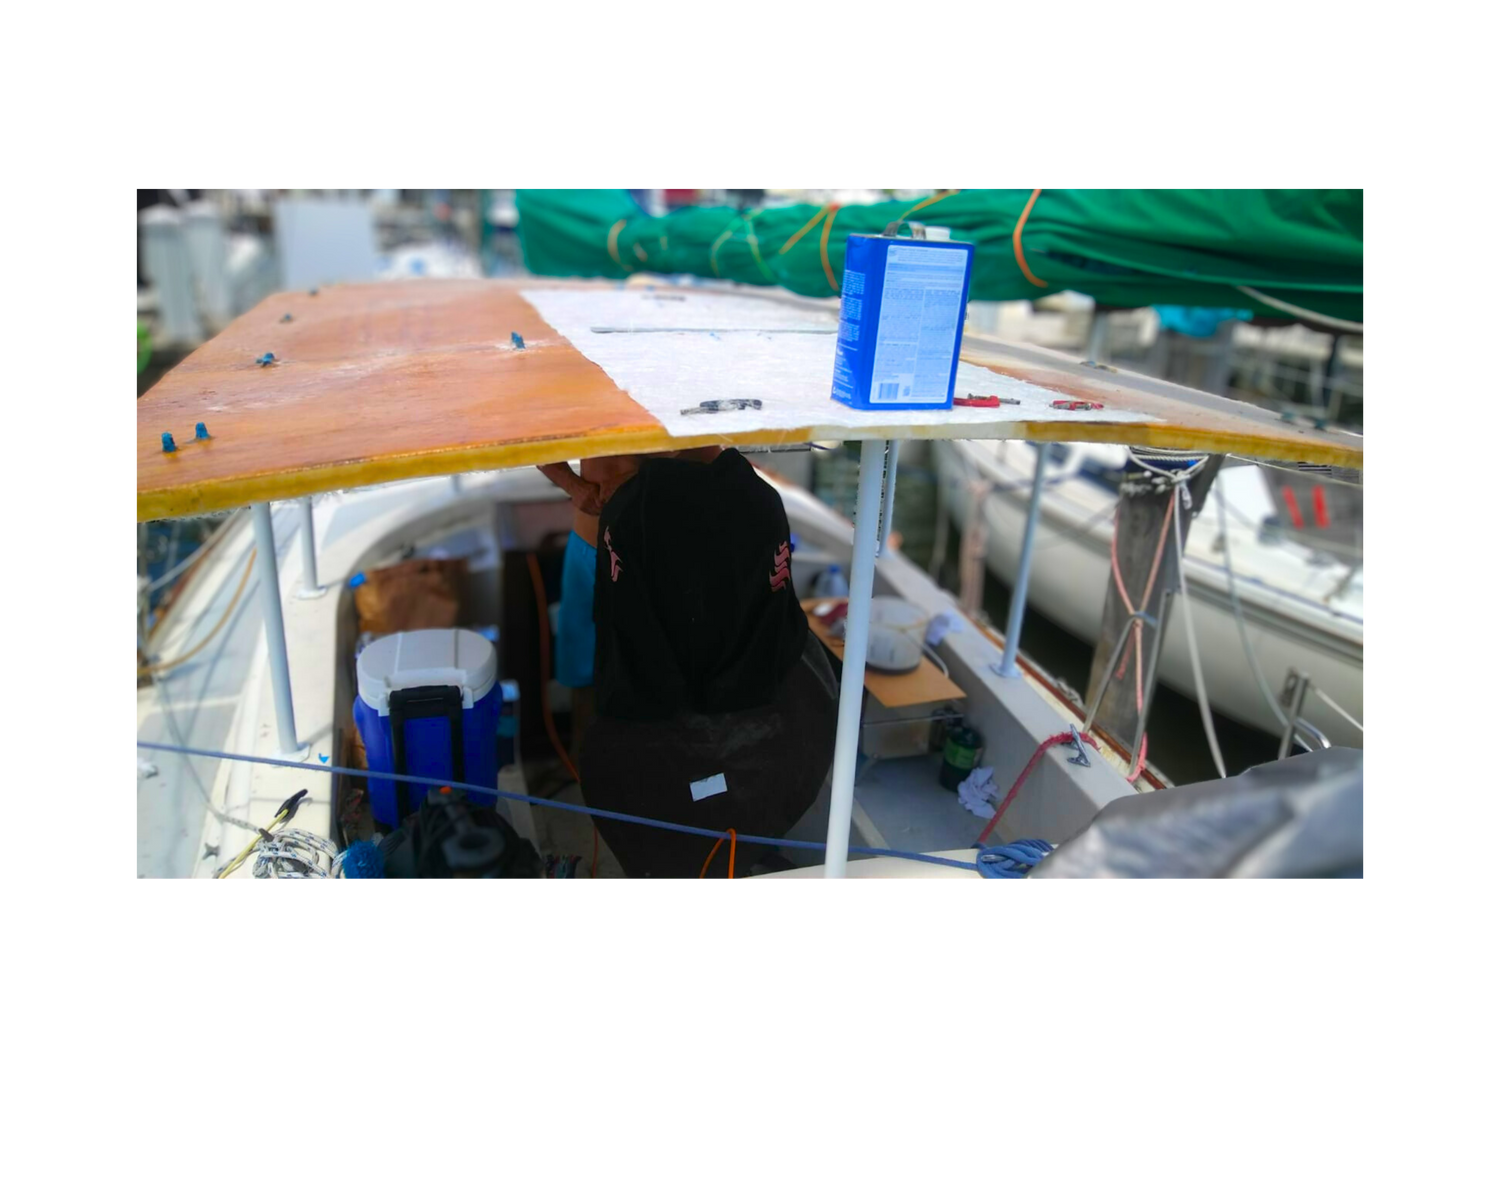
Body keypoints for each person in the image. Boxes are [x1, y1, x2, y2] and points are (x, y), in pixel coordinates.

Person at [536, 451, 720, 752]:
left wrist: (641, 478)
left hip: (654, 561)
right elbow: (537, 441)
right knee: (583, 679)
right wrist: (573, 485)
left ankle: (662, 779)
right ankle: (586, 784)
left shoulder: (674, 403)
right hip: (588, 548)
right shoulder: (576, 402)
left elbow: (713, 459)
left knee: (663, 678)